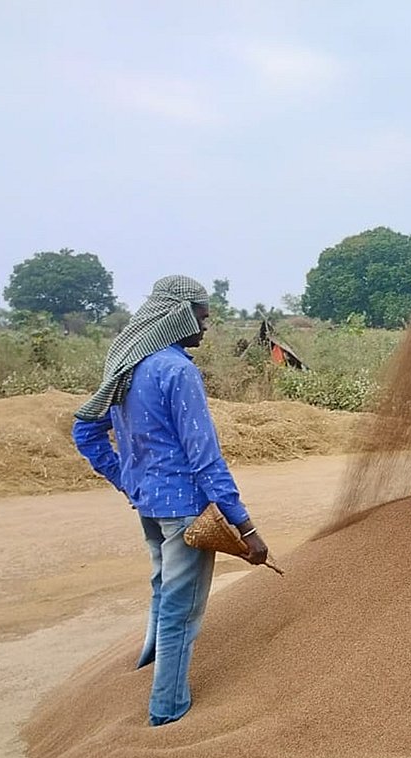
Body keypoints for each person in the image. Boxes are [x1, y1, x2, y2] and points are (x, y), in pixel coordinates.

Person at [72, 274, 268, 726]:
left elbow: (85, 428)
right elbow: (205, 459)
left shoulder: (127, 363)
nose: (206, 326)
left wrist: (127, 477)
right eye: (201, 316)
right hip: (187, 515)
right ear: (178, 316)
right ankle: (167, 710)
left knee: (163, 590)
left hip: (150, 505)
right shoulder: (176, 370)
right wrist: (246, 528)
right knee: (181, 610)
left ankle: (146, 672)